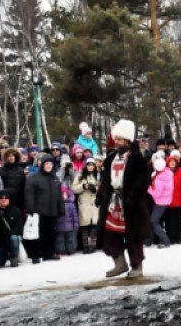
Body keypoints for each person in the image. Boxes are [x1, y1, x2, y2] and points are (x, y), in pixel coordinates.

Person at [97, 119, 150, 278]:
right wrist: (101, 195)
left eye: (120, 140)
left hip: (131, 203)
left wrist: (132, 198)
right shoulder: (112, 157)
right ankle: (119, 263)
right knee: (109, 233)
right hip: (113, 201)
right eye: (116, 139)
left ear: (127, 140)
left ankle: (136, 266)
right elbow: (106, 179)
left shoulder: (137, 158)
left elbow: (142, 181)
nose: (117, 142)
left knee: (134, 236)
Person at [24, 154, 63, 263]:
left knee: (51, 233)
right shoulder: (33, 177)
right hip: (39, 211)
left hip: (52, 210)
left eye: (51, 164)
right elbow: (29, 194)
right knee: (38, 234)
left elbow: (59, 194)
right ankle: (35, 255)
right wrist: (30, 209)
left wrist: (61, 208)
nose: (49, 166)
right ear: (42, 164)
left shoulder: (55, 177)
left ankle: (49, 253)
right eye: (47, 164)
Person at [72, 158, 100, 253]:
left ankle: (93, 246)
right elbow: (73, 188)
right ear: (86, 166)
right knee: (84, 226)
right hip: (84, 203)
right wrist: (83, 187)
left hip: (94, 203)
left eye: (92, 165)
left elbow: (102, 187)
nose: (91, 167)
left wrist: (96, 188)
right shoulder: (80, 175)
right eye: (89, 165)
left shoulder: (98, 175)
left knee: (94, 226)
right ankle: (85, 246)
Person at [0, 190, 22, 269]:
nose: (3, 200)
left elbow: (19, 228)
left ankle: (14, 258)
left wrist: (10, 234)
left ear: (9, 199)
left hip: (11, 238)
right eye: (1, 198)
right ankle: (3, 258)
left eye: (6, 198)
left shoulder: (16, 211)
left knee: (14, 238)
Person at [147, 152, 173, 248]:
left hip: (160, 202)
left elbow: (156, 194)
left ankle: (165, 240)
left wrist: (148, 188)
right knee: (156, 220)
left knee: (153, 221)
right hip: (166, 200)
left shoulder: (159, 179)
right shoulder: (168, 172)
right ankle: (162, 240)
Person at [165, 152, 181, 244]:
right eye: (170, 162)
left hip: (180, 199)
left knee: (179, 220)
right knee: (171, 221)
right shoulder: (165, 172)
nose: (172, 163)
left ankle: (178, 237)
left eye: (174, 161)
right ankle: (171, 237)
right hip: (169, 200)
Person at [54, 180, 79, 256]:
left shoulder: (71, 205)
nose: (63, 196)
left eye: (65, 194)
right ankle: (60, 250)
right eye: (62, 194)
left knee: (70, 239)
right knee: (59, 240)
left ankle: (70, 250)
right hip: (60, 226)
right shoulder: (57, 205)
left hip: (70, 226)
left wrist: (76, 225)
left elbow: (74, 215)